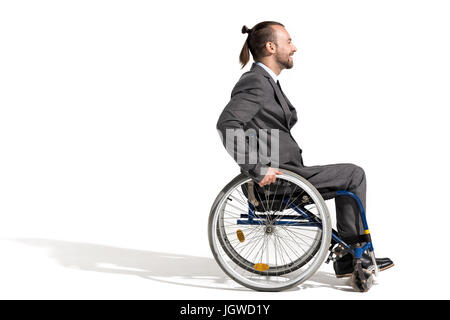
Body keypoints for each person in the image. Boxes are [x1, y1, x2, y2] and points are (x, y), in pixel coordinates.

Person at [216, 21, 393, 278]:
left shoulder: (267, 82)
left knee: (349, 177)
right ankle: (355, 253)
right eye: (288, 42)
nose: (294, 48)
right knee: (353, 175)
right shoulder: (256, 82)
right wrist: (256, 167)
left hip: (289, 172)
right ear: (271, 47)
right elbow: (228, 123)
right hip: (278, 178)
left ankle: (348, 255)